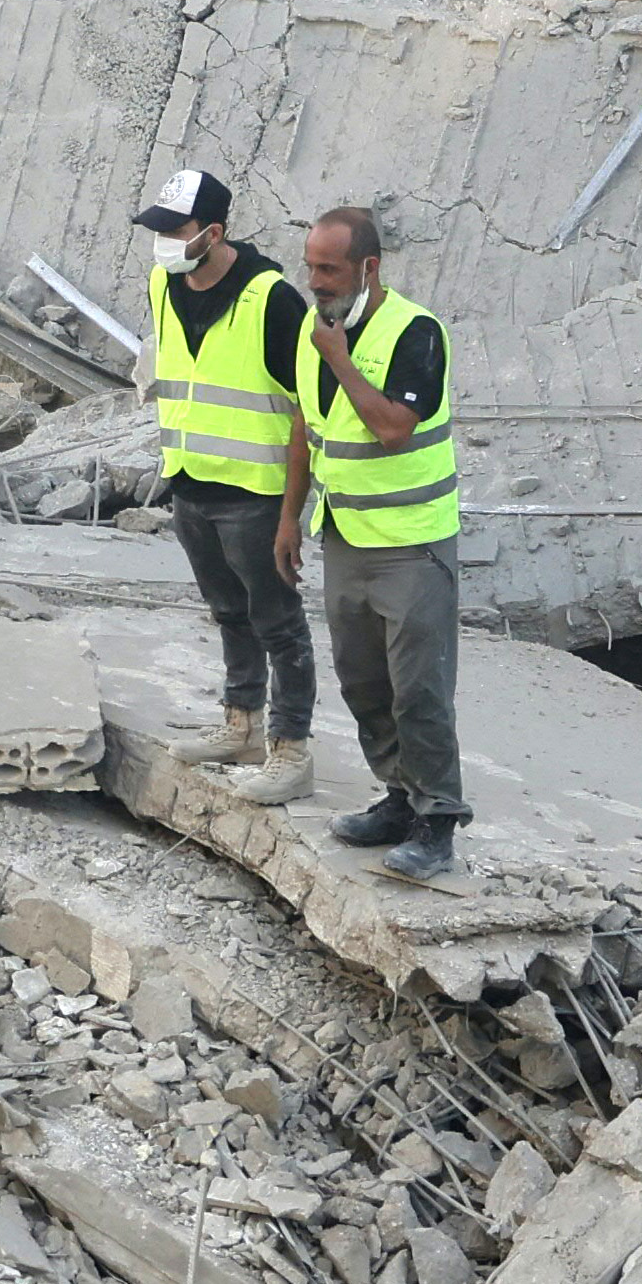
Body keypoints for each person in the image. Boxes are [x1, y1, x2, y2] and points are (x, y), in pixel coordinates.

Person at [279, 201, 468, 883]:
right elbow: (305, 426)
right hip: (346, 536)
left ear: (369, 267)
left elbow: (392, 429)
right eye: (310, 267)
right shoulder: (314, 330)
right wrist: (289, 518)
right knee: (364, 682)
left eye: (329, 269)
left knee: (420, 690)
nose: (315, 281)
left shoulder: (415, 331)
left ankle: (437, 821)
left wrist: (339, 360)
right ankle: (397, 797)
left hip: (412, 544)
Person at [132, 164, 315, 802]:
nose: (163, 243)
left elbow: (306, 412)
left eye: (174, 231)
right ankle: (242, 726)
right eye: (157, 231)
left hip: (256, 495)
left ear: (213, 233)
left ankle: (291, 751)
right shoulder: (162, 283)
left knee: (278, 624)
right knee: (229, 613)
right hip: (190, 482)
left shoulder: (272, 300)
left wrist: (291, 514)